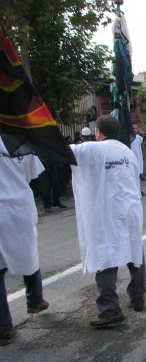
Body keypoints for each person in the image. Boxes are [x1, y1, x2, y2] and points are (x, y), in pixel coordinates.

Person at [70, 115, 146, 327]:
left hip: (109, 212)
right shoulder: (126, 152)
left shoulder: (93, 149)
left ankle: (110, 309)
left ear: (98, 132)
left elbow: (62, 152)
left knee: (105, 255)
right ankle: (138, 298)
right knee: (134, 252)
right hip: (130, 210)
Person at [0, 135, 49, 346]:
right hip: (19, 205)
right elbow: (31, 175)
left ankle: (3, 327)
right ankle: (35, 299)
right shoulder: (19, 139)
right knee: (28, 252)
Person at [131, 124, 145, 195]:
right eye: (133, 128)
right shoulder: (129, 138)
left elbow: (142, 139)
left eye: (136, 128)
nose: (135, 130)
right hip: (131, 159)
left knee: (138, 176)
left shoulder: (138, 137)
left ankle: (139, 189)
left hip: (138, 158)